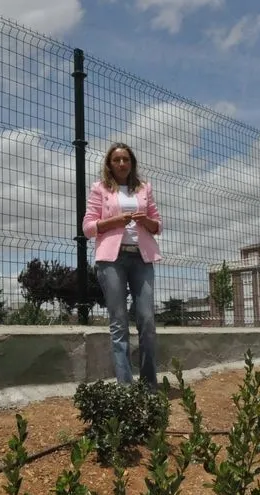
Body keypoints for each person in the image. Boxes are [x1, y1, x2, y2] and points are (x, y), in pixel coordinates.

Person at [82, 142, 163, 390]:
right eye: (116, 160)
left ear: (132, 163)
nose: (121, 164)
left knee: (147, 321)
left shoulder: (144, 188)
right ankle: (126, 389)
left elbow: (157, 226)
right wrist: (115, 221)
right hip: (112, 259)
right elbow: (88, 228)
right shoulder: (100, 189)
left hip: (142, 257)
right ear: (109, 164)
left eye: (125, 159)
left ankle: (149, 386)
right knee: (119, 323)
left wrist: (146, 220)